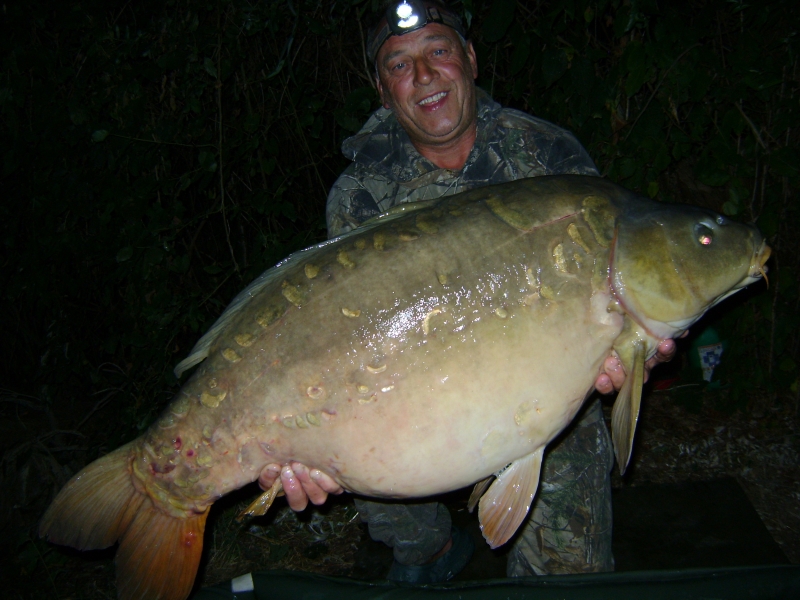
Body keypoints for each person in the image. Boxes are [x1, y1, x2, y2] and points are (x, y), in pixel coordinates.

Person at [258, 0, 676, 582]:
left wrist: (623, 355)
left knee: (570, 570)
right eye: (400, 65)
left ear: (470, 60)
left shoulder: (548, 154)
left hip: (544, 396)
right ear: (383, 91)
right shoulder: (360, 192)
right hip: (412, 385)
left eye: (438, 52)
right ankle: (429, 551)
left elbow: (607, 303)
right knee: (353, 451)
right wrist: (303, 443)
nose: (424, 75)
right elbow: (346, 339)